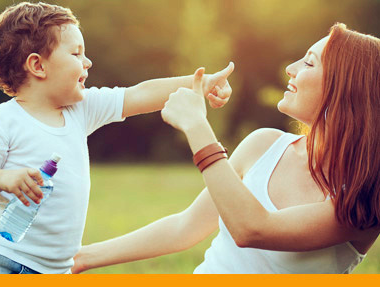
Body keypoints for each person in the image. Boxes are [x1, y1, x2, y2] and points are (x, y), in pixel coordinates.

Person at [72, 23, 380, 274]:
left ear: (345, 89)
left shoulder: (362, 198)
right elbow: (185, 227)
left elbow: (252, 230)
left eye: (309, 62)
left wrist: (197, 127)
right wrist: (80, 259)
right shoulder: (264, 145)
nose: (290, 68)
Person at [0, 2, 234, 274]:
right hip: (4, 262)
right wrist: (3, 178)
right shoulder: (3, 120)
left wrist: (203, 82)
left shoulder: (82, 109)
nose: (87, 62)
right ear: (38, 66)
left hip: (58, 271)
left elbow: (140, 94)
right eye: (76, 53)